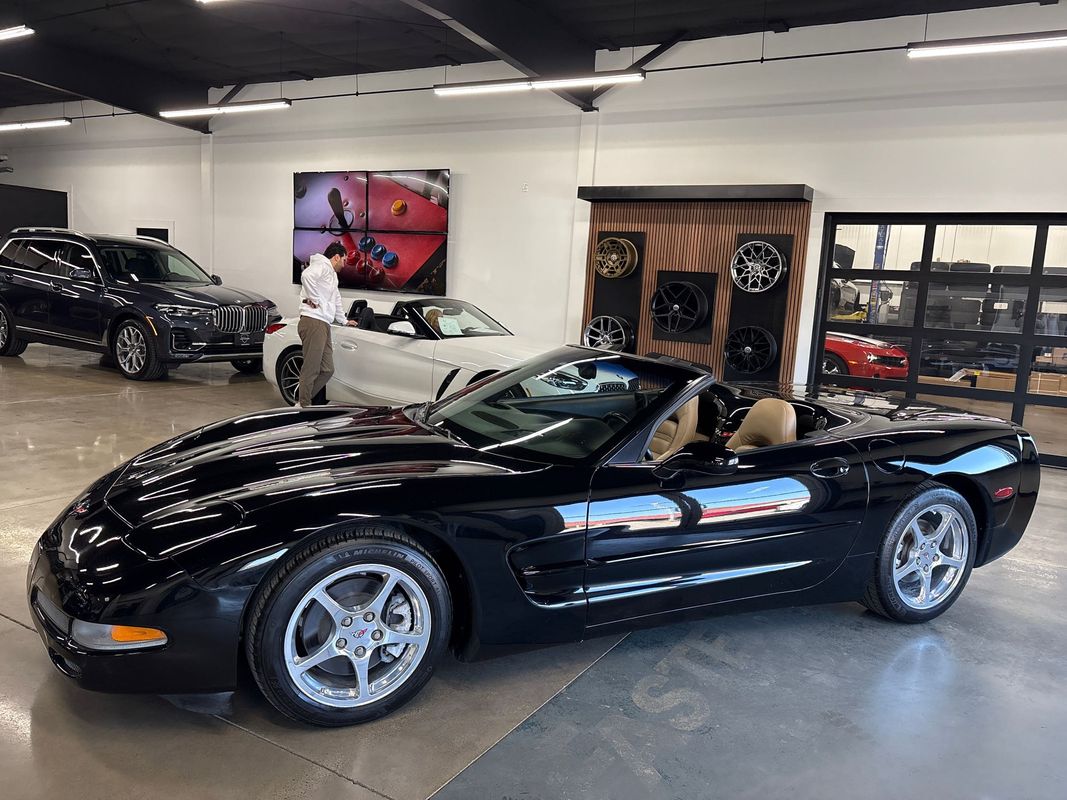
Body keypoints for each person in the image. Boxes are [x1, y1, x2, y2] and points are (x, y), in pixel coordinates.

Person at [297, 242, 356, 407]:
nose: (344, 264)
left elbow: (336, 299)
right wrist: (314, 299)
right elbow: (306, 276)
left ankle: (301, 401)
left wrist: (344, 320)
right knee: (311, 369)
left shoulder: (332, 275)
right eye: (344, 260)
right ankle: (303, 406)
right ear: (336, 257)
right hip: (313, 321)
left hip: (323, 323)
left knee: (327, 369)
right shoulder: (321, 265)